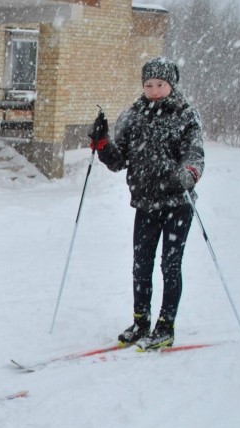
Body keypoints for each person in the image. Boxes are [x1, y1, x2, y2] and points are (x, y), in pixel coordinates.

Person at [89, 56, 205, 350]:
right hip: (145, 202)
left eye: (160, 84)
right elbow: (118, 161)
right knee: (141, 264)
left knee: (170, 264)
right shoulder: (132, 116)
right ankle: (141, 321)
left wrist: (189, 173)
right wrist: (102, 143)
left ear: (171, 84)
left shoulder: (185, 115)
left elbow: (195, 154)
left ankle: (166, 326)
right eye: (149, 84)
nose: (154, 90)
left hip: (177, 202)